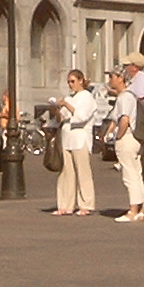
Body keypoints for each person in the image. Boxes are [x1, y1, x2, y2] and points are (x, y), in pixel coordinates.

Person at [50, 69, 98, 216]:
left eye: (73, 81)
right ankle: (65, 204)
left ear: (81, 80)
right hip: (67, 138)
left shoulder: (87, 98)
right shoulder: (70, 97)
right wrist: (57, 109)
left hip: (80, 138)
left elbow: (81, 116)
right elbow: (61, 118)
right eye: (69, 82)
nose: (71, 85)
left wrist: (67, 105)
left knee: (82, 172)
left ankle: (86, 204)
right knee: (66, 173)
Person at [106, 71, 144, 222]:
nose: (109, 80)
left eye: (112, 77)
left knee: (129, 175)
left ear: (121, 79)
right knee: (136, 174)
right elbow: (114, 120)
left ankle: (133, 211)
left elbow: (124, 120)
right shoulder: (129, 96)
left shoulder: (125, 97)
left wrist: (117, 136)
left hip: (127, 138)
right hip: (134, 138)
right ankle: (140, 210)